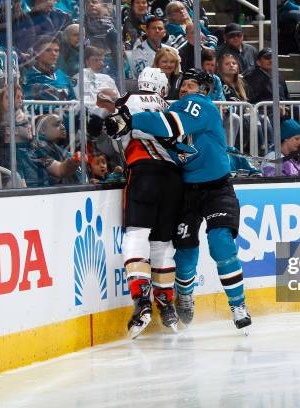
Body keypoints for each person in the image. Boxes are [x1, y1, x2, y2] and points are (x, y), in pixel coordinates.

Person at [110, 68, 252, 331]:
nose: (185, 89)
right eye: (183, 85)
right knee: (185, 252)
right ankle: (184, 295)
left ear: (204, 90)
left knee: (221, 242)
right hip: (187, 189)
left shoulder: (199, 106)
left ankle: (237, 305)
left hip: (216, 189)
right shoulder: (173, 108)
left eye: (191, 85)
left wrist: (129, 118)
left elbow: (170, 125)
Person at [90, 67, 182, 338]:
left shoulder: (127, 100)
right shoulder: (168, 106)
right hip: (173, 178)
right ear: (163, 88)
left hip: (143, 172)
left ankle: (141, 300)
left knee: (136, 236)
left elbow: (111, 133)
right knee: (163, 243)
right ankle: (166, 304)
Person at [22, 36, 76, 105]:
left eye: (56, 51)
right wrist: (53, 110)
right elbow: (27, 105)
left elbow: (73, 100)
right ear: (37, 53)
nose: (54, 54)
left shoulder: (62, 75)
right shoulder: (29, 77)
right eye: (48, 50)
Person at [33, 113, 79, 185]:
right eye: (57, 125)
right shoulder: (38, 149)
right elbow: (60, 172)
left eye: (62, 123)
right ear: (42, 130)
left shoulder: (56, 148)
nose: (63, 127)